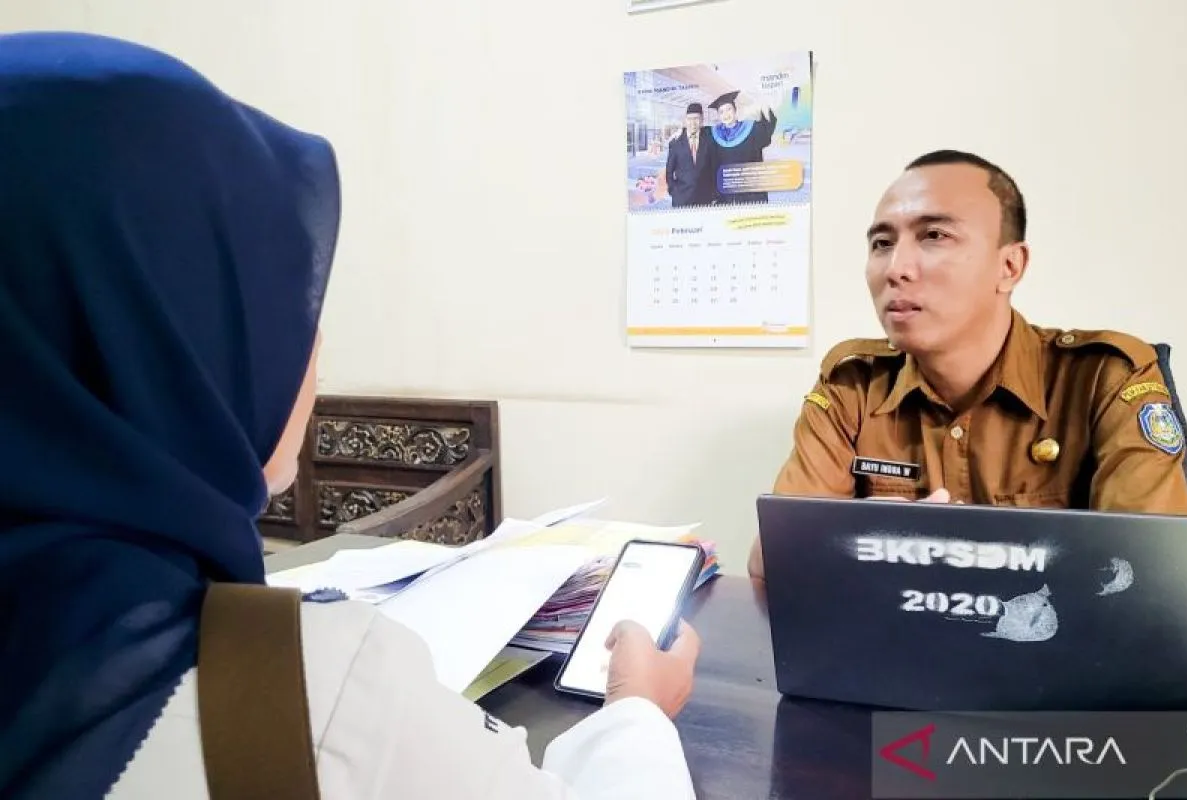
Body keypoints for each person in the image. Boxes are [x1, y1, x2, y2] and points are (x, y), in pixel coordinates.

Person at [0, 32, 700, 800]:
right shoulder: (313, 694)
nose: (313, 346)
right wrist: (636, 713)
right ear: (175, 336)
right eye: (279, 303)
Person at [749, 149, 1187, 581]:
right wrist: (875, 536)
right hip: (895, 630)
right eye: (882, 243)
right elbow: (773, 563)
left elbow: (1152, 578)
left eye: (934, 236)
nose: (896, 268)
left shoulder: (1105, 378)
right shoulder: (853, 385)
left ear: (1010, 266)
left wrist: (883, 550)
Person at [707, 90, 778, 205]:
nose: (726, 114)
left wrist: (764, 107)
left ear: (735, 111)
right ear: (719, 116)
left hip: (751, 192)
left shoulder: (751, 129)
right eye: (721, 112)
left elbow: (767, 132)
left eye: (729, 109)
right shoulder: (715, 135)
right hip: (726, 195)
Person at [663, 102, 716, 208]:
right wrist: (674, 192)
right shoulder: (675, 142)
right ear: (685, 120)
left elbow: (714, 168)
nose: (693, 122)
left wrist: (714, 194)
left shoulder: (710, 138)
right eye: (689, 119)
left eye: (696, 118)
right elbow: (669, 172)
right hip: (681, 200)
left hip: (705, 199)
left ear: (702, 120)